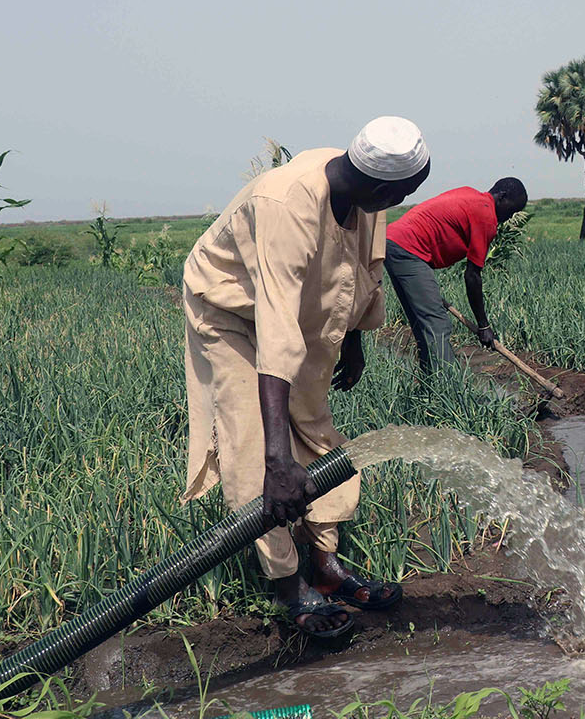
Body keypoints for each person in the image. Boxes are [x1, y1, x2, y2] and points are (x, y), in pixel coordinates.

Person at [181, 117, 430, 640]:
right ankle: (288, 583)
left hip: (301, 312)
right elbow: (275, 327)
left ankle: (326, 564)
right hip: (230, 312)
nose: (405, 200)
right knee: (253, 445)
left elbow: (362, 268)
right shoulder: (286, 204)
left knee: (315, 426)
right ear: (381, 186)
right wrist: (279, 460)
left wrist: (355, 338)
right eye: (405, 192)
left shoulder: (365, 194)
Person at [384, 179, 529, 374]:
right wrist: (483, 326)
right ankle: (447, 384)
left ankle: (430, 381)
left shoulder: (470, 194)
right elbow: (472, 276)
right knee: (436, 323)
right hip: (409, 249)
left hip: (393, 241)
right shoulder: (486, 216)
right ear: (502, 197)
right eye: (511, 210)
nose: (509, 217)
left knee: (423, 323)